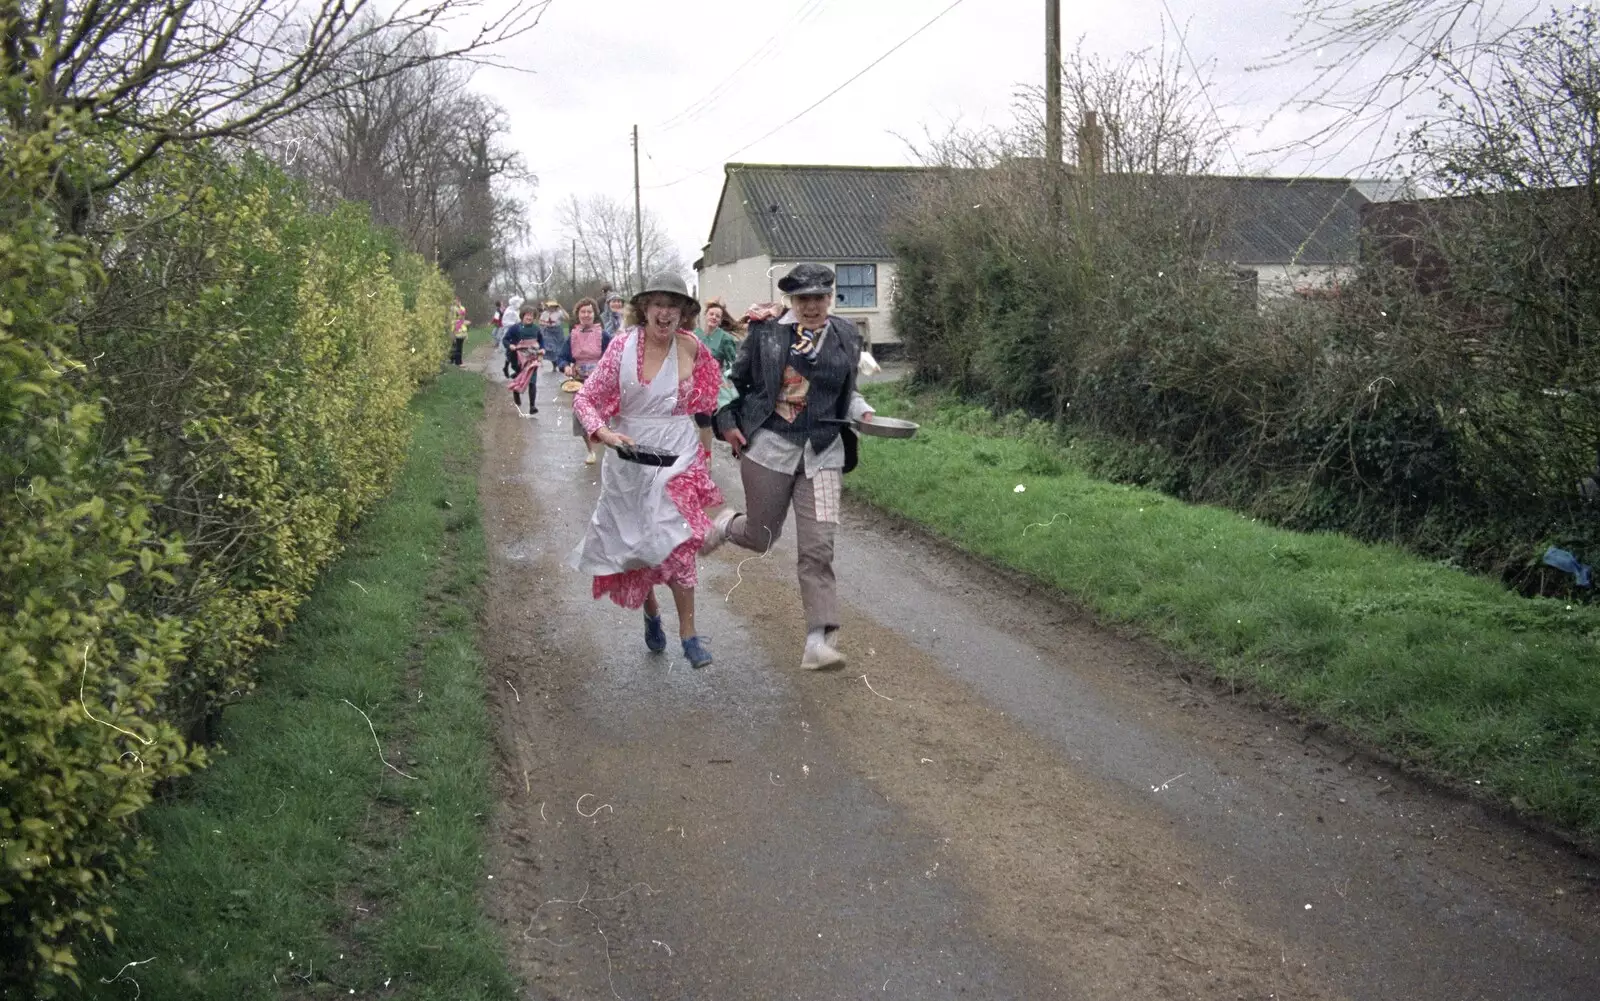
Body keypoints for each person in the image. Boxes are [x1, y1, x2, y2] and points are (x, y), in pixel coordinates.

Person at [702, 263, 875, 671]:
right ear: (791, 301)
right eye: (803, 299)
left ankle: (818, 639)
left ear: (830, 299)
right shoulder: (767, 333)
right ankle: (729, 525)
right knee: (761, 537)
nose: (812, 306)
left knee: (818, 548)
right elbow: (730, 381)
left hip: (825, 452)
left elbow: (846, 394)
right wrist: (726, 423)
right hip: (770, 447)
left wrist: (865, 414)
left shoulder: (846, 336)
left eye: (819, 298)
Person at [569, 274, 723, 669]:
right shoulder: (622, 346)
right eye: (658, 304)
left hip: (678, 456)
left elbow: (713, 398)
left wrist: (724, 431)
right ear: (645, 308)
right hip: (629, 455)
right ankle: (651, 613)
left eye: (674, 306)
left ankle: (689, 634)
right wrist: (603, 431)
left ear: (684, 313)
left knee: (675, 540)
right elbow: (587, 398)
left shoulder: (693, 348)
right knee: (637, 547)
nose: (665, 313)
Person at [556, 297, 612, 465]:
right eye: (583, 312)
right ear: (578, 314)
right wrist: (565, 366)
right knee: (581, 416)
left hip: (601, 382)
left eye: (589, 311)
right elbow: (561, 357)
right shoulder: (572, 336)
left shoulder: (603, 335)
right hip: (579, 381)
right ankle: (590, 452)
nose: (586, 315)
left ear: (594, 314)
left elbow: (614, 357)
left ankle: (608, 449)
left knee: (603, 416)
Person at [504, 305, 543, 414]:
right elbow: (505, 340)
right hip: (518, 358)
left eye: (532, 316)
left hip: (532, 357)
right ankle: (516, 391)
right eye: (527, 315)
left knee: (532, 381)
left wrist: (542, 349)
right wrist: (510, 345)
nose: (529, 318)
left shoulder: (536, 329)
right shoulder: (515, 328)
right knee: (520, 378)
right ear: (522, 316)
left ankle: (532, 406)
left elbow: (541, 340)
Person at [696, 298, 742, 372]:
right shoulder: (695, 334)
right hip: (695, 379)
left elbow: (733, 365)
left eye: (717, 316)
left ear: (720, 321)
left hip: (714, 380)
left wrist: (725, 377)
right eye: (711, 314)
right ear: (705, 315)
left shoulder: (726, 338)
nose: (714, 317)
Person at [539, 299, 569, 372]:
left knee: (559, 349)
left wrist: (562, 308)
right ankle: (554, 364)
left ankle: (559, 362)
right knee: (551, 349)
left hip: (558, 331)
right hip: (548, 332)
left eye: (553, 306)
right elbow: (540, 321)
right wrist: (546, 324)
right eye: (550, 306)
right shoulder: (545, 313)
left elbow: (567, 318)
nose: (551, 308)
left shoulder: (559, 313)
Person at [450, 297, 469, 366]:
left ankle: (455, 360)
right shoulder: (453, 309)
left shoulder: (461, 308)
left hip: (460, 329)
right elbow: (458, 316)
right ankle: (456, 361)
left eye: (457, 301)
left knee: (458, 346)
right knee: (456, 346)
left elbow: (462, 317)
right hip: (455, 328)